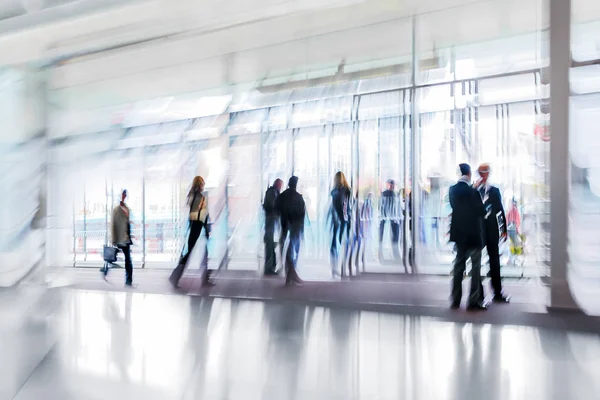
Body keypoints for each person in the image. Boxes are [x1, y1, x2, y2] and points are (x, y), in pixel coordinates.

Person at [449, 163, 487, 311]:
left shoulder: (452, 190)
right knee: (475, 269)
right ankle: (473, 301)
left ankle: (455, 299)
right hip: (473, 235)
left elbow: (454, 207)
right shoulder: (474, 192)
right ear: (470, 173)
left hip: (459, 235)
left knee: (459, 267)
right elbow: (481, 212)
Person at [475, 163, 510, 303]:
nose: (484, 174)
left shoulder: (494, 191)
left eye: (486, 172)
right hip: (477, 230)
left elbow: (500, 210)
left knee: (494, 262)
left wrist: (504, 230)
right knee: (476, 262)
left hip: (492, 231)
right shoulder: (475, 190)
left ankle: (497, 292)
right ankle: (478, 295)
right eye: (482, 172)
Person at [169, 176, 212, 288]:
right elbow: (201, 214)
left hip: (195, 226)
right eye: (202, 183)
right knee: (188, 254)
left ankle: (176, 277)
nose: (204, 186)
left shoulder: (192, 195)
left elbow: (195, 213)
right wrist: (206, 227)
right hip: (197, 227)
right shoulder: (199, 197)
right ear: (199, 184)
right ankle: (175, 277)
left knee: (190, 253)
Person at [275, 176, 305, 286]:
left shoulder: (282, 196)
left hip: (284, 224)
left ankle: (289, 274)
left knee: (286, 249)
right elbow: (301, 214)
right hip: (295, 225)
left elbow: (276, 208)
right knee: (293, 249)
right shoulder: (298, 197)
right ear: (295, 184)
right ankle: (291, 275)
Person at [330, 171, 352, 277]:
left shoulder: (335, 191)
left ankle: (336, 268)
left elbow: (335, 207)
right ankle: (342, 267)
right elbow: (347, 206)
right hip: (344, 220)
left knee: (336, 243)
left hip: (338, 220)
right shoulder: (346, 190)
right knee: (342, 242)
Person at [110, 189, 134, 286]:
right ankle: (106, 271)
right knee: (115, 258)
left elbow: (127, 223)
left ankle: (129, 280)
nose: (124, 196)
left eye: (125, 194)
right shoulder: (116, 210)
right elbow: (113, 225)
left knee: (128, 259)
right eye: (123, 194)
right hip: (119, 238)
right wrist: (113, 239)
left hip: (126, 238)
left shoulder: (127, 209)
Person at [263, 178, 283, 275]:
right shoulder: (273, 193)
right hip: (270, 224)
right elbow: (272, 207)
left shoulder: (271, 192)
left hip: (270, 224)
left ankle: (271, 267)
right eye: (280, 185)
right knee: (270, 246)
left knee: (270, 246)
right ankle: (269, 268)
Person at [379, 179, 400, 260]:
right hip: (389, 218)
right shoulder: (389, 194)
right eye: (391, 184)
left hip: (390, 218)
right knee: (392, 236)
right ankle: (393, 255)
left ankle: (394, 255)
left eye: (393, 184)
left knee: (393, 237)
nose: (392, 186)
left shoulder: (394, 194)